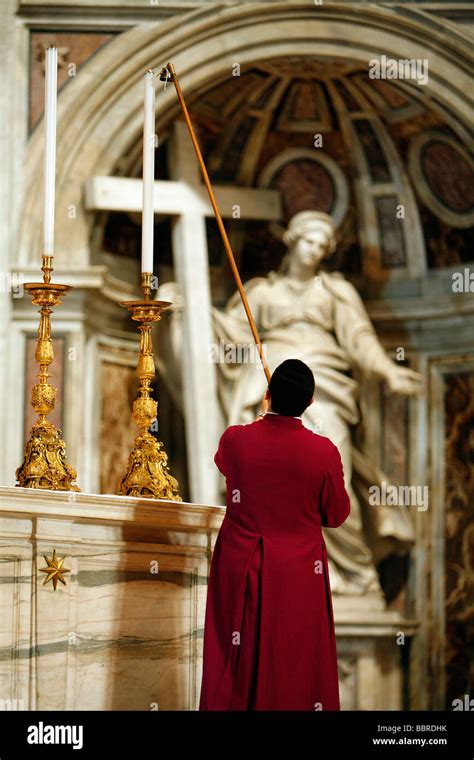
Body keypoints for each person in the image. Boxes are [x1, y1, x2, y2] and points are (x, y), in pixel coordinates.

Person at [199, 359, 351, 711]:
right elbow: (336, 514)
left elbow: (224, 461)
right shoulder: (324, 452)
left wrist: (258, 424)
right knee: (294, 663)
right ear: (310, 402)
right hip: (299, 574)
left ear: (267, 395)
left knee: (235, 658)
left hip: (241, 568)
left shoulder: (237, 439)